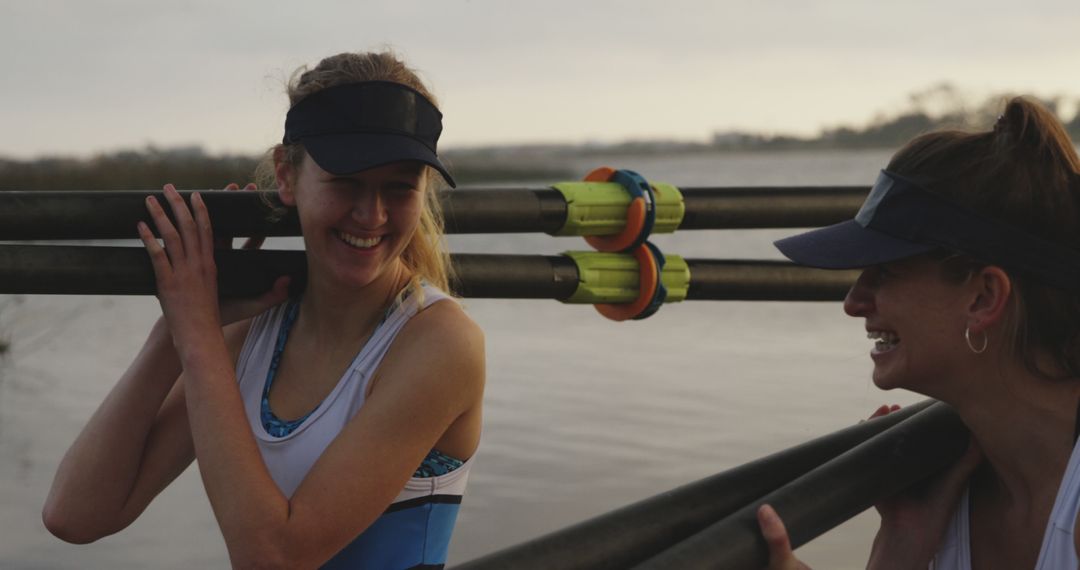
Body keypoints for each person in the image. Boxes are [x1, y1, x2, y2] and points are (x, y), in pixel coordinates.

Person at [42, 50, 485, 569]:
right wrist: (175, 331)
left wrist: (199, 335)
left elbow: (273, 558)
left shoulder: (438, 342)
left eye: (399, 187)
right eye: (347, 182)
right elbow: (75, 515)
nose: (372, 215)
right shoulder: (251, 334)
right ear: (286, 175)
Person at [761, 97, 1080, 569]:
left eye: (884, 271)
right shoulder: (939, 496)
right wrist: (901, 545)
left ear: (984, 298)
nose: (853, 303)